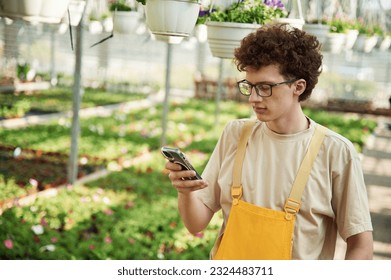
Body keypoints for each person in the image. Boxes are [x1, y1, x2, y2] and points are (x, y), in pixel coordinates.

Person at [164, 23, 373, 260]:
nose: (253, 98)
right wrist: (185, 193)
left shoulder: (335, 151)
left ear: (298, 87)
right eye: (249, 86)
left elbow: (361, 246)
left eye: (264, 87)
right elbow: (196, 224)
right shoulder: (235, 134)